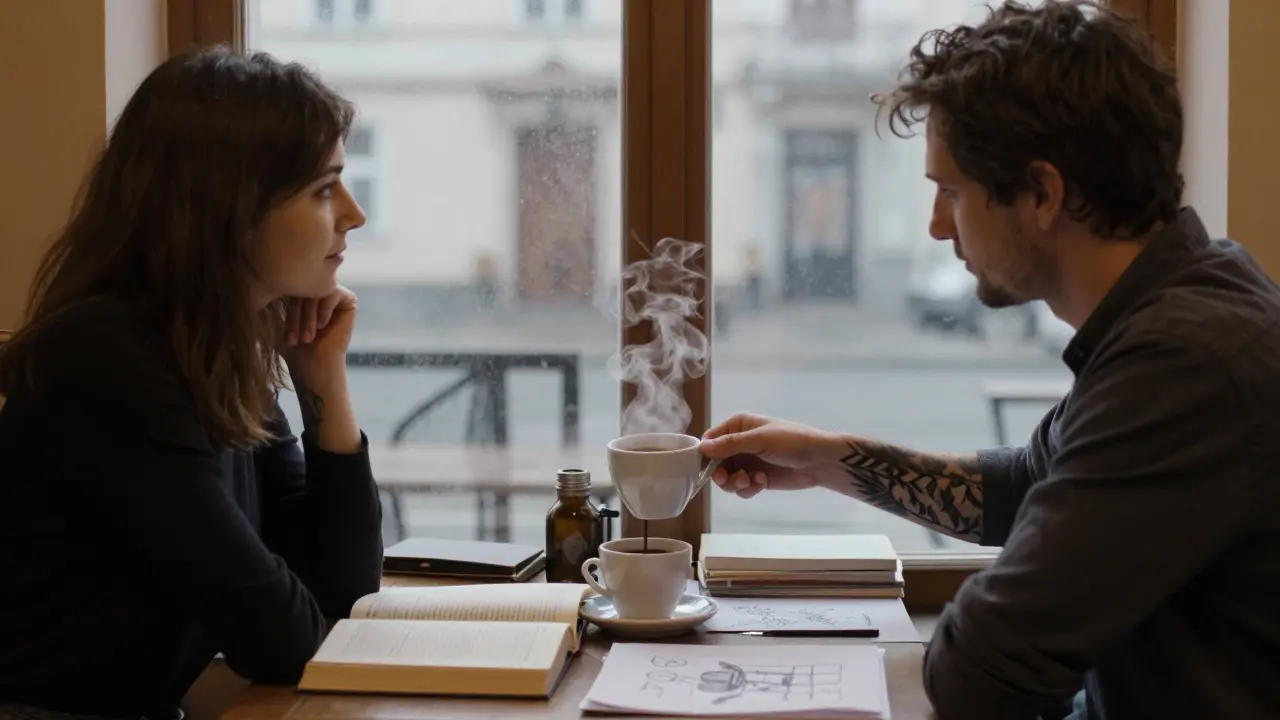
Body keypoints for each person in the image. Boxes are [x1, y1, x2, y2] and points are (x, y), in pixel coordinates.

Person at [700, 2, 1280, 719]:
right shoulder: (1185, 300)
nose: (937, 226)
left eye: (950, 191)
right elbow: (1027, 485)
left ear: (1043, 194)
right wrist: (829, 460)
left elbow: (984, 664)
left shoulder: (1187, 362)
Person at [0, 47, 384, 719]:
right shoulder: (105, 355)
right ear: (230, 208)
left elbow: (341, 593)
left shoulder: (215, 349)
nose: (354, 214)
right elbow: (280, 639)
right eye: (324, 190)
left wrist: (321, 378)